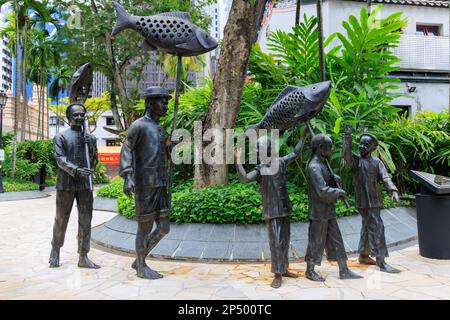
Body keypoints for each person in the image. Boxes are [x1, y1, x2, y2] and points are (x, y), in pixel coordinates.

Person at [235, 129, 308, 288]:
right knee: (275, 242)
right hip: (271, 211)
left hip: (284, 208)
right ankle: (277, 273)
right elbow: (245, 178)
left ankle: (284, 268)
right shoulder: (259, 170)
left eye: (259, 148)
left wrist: (303, 137)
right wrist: (238, 160)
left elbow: (295, 153)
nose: (257, 151)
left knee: (285, 240)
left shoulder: (280, 162)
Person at [119, 86, 173, 280]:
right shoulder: (139, 125)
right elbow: (126, 148)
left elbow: (164, 155)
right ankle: (141, 267)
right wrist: (127, 176)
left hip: (160, 183)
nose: (166, 106)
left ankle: (139, 258)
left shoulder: (160, 129)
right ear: (150, 103)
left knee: (163, 227)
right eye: (163, 102)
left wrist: (171, 149)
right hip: (145, 185)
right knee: (144, 227)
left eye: (167, 102)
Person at [343, 125, 401, 273]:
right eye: (360, 143)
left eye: (366, 144)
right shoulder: (357, 162)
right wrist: (348, 138)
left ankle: (363, 254)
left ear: (373, 148)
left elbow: (386, 178)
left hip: (374, 200)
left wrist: (393, 190)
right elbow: (347, 156)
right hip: (363, 202)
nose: (362, 147)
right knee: (377, 227)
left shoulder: (377, 162)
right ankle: (381, 261)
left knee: (367, 226)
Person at [305, 133, 362, 281]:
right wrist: (338, 192)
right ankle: (310, 270)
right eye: (329, 146)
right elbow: (322, 191)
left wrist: (332, 178)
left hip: (328, 210)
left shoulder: (323, 163)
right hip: (318, 212)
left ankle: (344, 269)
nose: (331, 149)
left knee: (337, 240)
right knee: (316, 242)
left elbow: (326, 183)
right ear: (320, 148)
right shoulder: (314, 167)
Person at [49, 103, 100, 269]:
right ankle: (55, 249)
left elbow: (94, 163)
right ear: (68, 117)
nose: (79, 118)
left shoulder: (90, 139)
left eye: (82, 115)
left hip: (85, 184)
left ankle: (83, 255)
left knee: (85, 220)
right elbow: (60, 159)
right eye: (75, 115)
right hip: (66, 184)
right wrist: (76, 170)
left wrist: (91, 147)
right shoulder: (61, 137)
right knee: (61, 218)